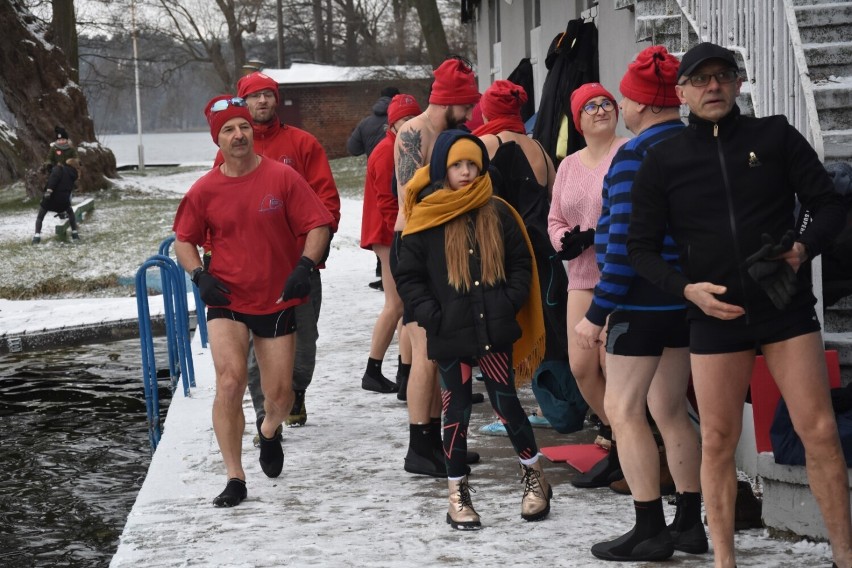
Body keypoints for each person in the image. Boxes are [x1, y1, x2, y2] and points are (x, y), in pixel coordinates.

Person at [627, 42, 852, 568]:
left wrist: (801, 249)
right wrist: (687, 290)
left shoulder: (774, 135)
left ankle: (844, 554)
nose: (713, 87)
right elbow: (638, 247)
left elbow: (828, 204)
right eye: (700, 79)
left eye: (722, 76)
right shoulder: (662, 158)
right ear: (680, 92)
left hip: (784, 307)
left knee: (818, 429)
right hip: (713, 314)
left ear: (737, 83)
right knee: (720, 440)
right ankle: (725, 560)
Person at [571, 46, 705, 561]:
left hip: (641, 302)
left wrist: (598, 312)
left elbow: (626, 239)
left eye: (626, 99)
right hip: (688, 299)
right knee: (670, 409)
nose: (622, 108)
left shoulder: (636, 154)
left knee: (622, 408)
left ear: (646, 104)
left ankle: (649, 527)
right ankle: (689, 524)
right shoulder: (699, 142)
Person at [174, 94, 333, 508]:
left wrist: (305, 264)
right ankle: (234, 477)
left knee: (279, 397)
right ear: (218, 140)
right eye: (228, 129)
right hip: (226, 297)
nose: (239, 134)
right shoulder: (205, 189)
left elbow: (318, 224)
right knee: (230, 382)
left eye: (243, 126)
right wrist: (199, 276)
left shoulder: (282, 177)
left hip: (277, 297)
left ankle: (268, 432)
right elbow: (184, 238)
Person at [395, 130, 550, 530]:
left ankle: (535, 478)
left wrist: (505, 304)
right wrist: (435, 316)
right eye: (457, 165)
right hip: (451, 335)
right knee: (456, 410)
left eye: (472, 164)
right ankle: (457, 492)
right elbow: (409, 277)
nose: (466, 172)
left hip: (494, 330)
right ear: (442, 169)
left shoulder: (497, 211)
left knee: (506, 402)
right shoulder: (426, 217)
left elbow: (521, 264)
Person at [215, 71, 341, 430]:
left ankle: (295, 392)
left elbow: (327, 201)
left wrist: (313, 253)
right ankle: (263, 417)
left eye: (268, 94)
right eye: (254, 96)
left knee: (303, 341)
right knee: (256, 348)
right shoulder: (228, 153)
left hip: (298, 266)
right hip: (250, 275)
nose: (263, 102)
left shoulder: (303, 144)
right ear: (243, 103)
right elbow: (213, 210)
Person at [392, 57, 483, 477]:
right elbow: (412, 203)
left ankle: (439, 439)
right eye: (465, 106)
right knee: (426, 352)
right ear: (449, 101)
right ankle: (418, 446)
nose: (469, 115)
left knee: (440, 348)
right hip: (414, 245)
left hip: (439, 246)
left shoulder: (450, 134)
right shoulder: (412, 133)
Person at [547, 82, 628, 488]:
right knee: (582, 366)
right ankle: (620, 436)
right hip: (579, 278)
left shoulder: (626, 152)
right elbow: (555, 218)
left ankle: (629, 447)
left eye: (607, 103)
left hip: (619, 277)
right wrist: (565, 240)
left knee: (610, 365)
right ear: (578, 120)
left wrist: (599, 233)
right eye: (591, 107)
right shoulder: (568, 165)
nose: (601, 110)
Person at [360, 93, 421, 395]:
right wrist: (400, 238)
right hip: (387, 234)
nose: (411, 124)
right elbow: (387, 201)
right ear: (393, 122)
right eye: (405, 120)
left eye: (414, 118)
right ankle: (374, 370)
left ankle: (404, 373)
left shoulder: (402, 146)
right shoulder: (387, 151)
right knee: (397, 304)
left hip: (391, 232)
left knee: (403, 304)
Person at [33, 158, 81, 244]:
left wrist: (49, 191)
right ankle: (75, 233)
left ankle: (36, 237)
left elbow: (53, 180)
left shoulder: (59, 169)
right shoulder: (73, 175)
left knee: (40, 216)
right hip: (64, 202)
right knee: (70, 213)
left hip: (51, 199)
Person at [347, 86, 400, 158]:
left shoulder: (364, 123)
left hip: (374, 166)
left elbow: (353, 149)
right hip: (399, 166)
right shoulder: (401, 121)